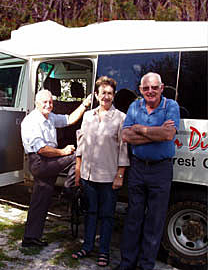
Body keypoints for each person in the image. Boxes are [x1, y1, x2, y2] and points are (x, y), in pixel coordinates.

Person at [115, 72, 180, 270]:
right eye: (145, 88)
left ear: (161, 88)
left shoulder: (171, 106)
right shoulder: (135, 106)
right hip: (138, 168)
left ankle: (146, 265)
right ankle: (127, 263)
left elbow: (169, 134)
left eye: (154, 87)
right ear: (141, 90)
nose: (150, 91)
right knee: (133, 217)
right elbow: (126, 135)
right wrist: (156, 133)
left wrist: (141, 130)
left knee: (155, 220)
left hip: (160, 170)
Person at [20, 89, 92, 247]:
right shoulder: (32, 121)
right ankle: (68, 190)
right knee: (76, 156)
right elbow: (42, 149)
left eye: (51, 102)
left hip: (48, 160)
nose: (48, 105)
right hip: (40, 162)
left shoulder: (50, 117)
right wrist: (63, 151)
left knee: (40, 201)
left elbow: (69, 119)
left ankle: (30, 238)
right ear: (36, 103)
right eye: (45, 102)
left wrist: (85, 104)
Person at [72, 76, 129, 267]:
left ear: (114, 96)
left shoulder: (121, 118)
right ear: (96, 95)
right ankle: (87, 246)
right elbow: (81, 145)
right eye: (103, 93)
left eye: (110, 93)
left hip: (108, 177)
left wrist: (120, 175)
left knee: (107, 215)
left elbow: (123, 149)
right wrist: (78, 171)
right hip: (88, 175)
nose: (106, 96)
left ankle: (103, 251)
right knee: (90, 212)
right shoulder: (88, 116)